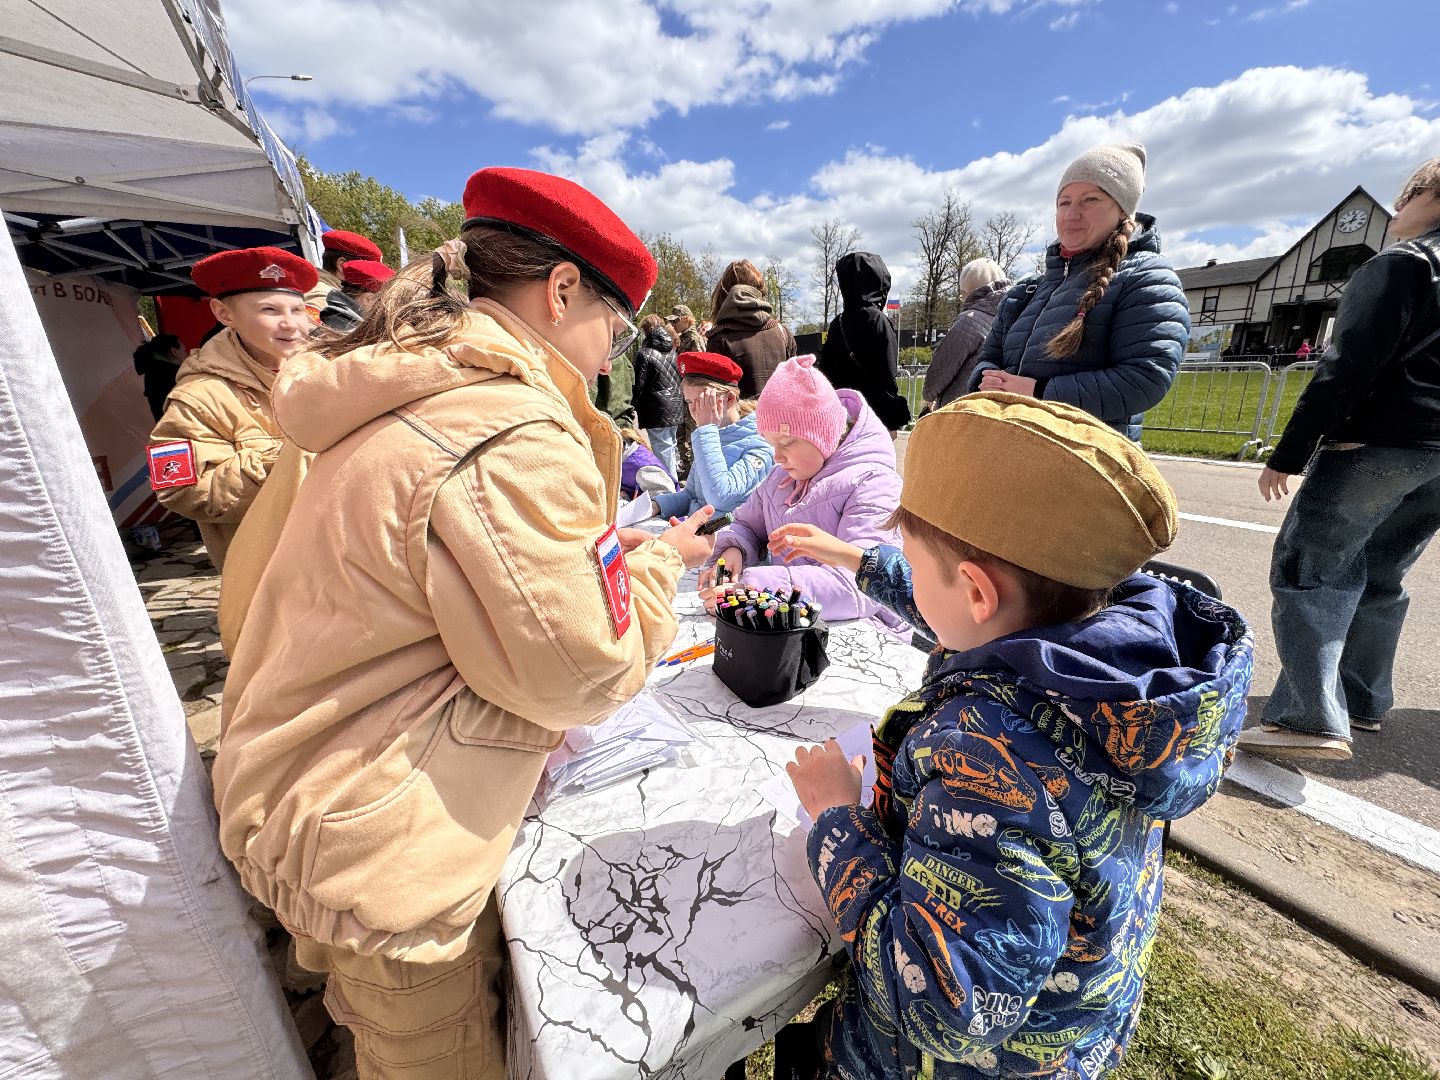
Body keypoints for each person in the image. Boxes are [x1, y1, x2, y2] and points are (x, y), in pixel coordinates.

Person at [212, 168, 717, 1080]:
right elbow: (584, 673)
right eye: (617, 324)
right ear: (562, 292)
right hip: (381, 852)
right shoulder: (505, 427)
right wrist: (652, 563)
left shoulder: (395, 391)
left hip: (315, 802)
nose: (611, 357)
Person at [781, 392, 1253, 1080]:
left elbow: (945, 1007)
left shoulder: (990, 762)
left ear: (977, 591)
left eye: (909, 561)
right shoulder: (1106, 658)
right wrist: (858, 561)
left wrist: (837, 822)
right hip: (1070, 1033)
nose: (907, 575)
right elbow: (972, 606)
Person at [1239, 157, 1440, 760]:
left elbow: (1345, 366)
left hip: (1375, 443)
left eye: (1404, 195)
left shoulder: (1403, 266)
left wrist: (1291, 453)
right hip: (1438, 457)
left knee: (1311, 569)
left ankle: (1308, 718)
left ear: (1430, 194)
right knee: (1383, 574)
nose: (1397, 209)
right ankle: (1361, 699)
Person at [967, 143, 1190, 440]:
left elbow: (1144, 379)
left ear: (1123, 210)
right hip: (1011, 450)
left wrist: (1038, 393)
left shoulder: (1147, 277)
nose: (1072, 214)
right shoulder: (1026, 290)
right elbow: (988, 356)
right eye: (1064, 202)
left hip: (1084, 463)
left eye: (1090, 200)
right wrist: (987, 380)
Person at [697, 354, 909, 637]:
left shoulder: (873, 483)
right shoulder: (781, 476)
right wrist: (735, 549)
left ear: (822, 433)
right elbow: (747, 524)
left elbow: (862, 587)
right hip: (796, 622)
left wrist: (756, 587)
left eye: (786, 442)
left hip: (868, 635)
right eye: (771, 444)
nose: (777, 456)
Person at [147, 247, 316, 572]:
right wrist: (289, 457)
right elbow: (176, 491)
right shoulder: (195, 399)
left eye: (297, 310)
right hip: (267, 575)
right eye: (269, 310)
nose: (290, 324)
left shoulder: (328, 371)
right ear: (224, 314)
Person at [651, 351, 772, 519]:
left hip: (726, 538)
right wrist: (657, 505)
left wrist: (707, 429)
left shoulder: (760, 443)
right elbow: (691, 496)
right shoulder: (711, 435)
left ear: (729, 399)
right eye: (689, 402)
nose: (694, 411)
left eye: (701, 402)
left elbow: (721, 498)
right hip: (696, 531)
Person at [817, 251, 910, 433]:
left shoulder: (838, 323)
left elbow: (826, 372)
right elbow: (887, 374)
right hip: (873, 416)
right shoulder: (877, 320)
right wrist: (891, 422)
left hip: (843, 416)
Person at [922, 258, 1010, 410]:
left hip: (961, 411)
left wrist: (928, 396)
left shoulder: (968, 321)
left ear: (967, 292)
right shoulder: (1016, 317)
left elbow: (940, 371)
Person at [705, 258, 798, 398]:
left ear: (723, 294)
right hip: (784, 418)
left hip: (740, 418)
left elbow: (717, 400)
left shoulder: (719, 339)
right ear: (758, 292)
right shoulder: (782, 332)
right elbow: (796, 384)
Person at [631, 313, 684, 476]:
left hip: (656, 409)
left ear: (645, 331)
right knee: (670, 445)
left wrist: (634, 405)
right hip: (675, 404)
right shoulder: (673, 352)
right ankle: (673, 483)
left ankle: (670, 488)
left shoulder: (644, 353)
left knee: (662, 449)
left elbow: (638, 384)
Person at [305, 228, 383, 315]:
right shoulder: (323, 299)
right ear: (342, 265)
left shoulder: (334, 295)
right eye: (366, 270)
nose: (371, 277)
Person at [319, 258, 396, 331]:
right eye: (387, 301)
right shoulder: (351, 334)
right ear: (368, 300)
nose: (389, 309)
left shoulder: (334, 321)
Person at [131, 332, 186, 420]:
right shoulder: (172, 373)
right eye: (184, 350)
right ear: (174, 351)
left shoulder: (154, 370)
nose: (186, 354)